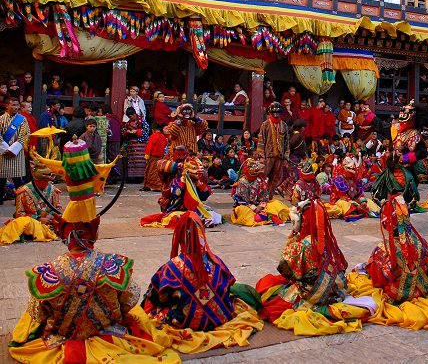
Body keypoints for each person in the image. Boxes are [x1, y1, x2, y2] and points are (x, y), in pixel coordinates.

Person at [9, 139, 174, 362]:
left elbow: (38, 313)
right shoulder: (114, 267)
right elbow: (130, 301)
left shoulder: (48, 272)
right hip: (109, 334)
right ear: (94, 231)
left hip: (62, 337)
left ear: (63, 232)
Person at [142, 211, 262, 333]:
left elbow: (155, 298)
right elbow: (228, 286)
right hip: (220, 317)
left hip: (184, 321)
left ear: (180, 235)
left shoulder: (172, 267)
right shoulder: (217, 262)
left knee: (154, 305)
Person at [257, 198, 353, 324]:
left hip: (312, 295)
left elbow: (284, 270)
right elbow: (343, 266)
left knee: (267, 284)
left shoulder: (300, 246)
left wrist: (293, 238)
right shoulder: (329, 241)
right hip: (336, 290)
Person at [359, 194, 428, 302]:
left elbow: (378, 281)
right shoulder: (421, 242)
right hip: (422, 291)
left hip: (395, 294)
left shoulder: (383, 249)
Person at [0, 158, 60, 244]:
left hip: (50, 223)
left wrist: (52, 215)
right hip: (31, 223)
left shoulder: (53, 190)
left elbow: (57, 208)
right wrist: (38, 218)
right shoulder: (23, 191)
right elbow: (19, 214)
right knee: (22, 223)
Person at [257, 102, 290, 199]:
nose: (276, 114)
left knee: (275, 178)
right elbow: (261, 140)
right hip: (268, 156)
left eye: (278, 112)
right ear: (270, 112)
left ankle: (269, 197)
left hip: (279, 156)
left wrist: (286, 156)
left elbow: (286, 142)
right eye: (274, 112)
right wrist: (261, 156)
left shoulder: (284, 125)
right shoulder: (265, 124)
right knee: (263, 176)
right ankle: (260, 197)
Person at [0, 97, 29, 204]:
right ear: (6, 105)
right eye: (13, 105)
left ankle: (19, 201)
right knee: (1, 179)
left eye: (17, 105)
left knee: (18, 179)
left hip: (16, 153)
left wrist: (13, 149)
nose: (16, 107)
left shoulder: (22, 119)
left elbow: (25, 135)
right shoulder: (1, 119)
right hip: (2, 153)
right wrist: (5, 149)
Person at [123, 107, 150, 181]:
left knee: (140, 161)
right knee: (132, 161)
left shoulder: (142, 121)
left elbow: (147, 130)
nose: (131, 117)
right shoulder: (128, 123)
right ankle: (132, 176)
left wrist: (137, 131)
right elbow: (124, 131)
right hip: (132, 145)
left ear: (134, 114)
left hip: (140, 144)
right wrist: (127, 132)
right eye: (129, 116)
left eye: (132, 115)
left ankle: (140, 176)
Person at [143, 123, 168, 192]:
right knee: (158, 172)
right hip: (161, 157)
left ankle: (148, 186)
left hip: (153, 156)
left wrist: (147, 156)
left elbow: (149, 147)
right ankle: (158, 186)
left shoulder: (153, 136)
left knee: (149, 171)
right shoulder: (163, 137)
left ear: (153, 130)